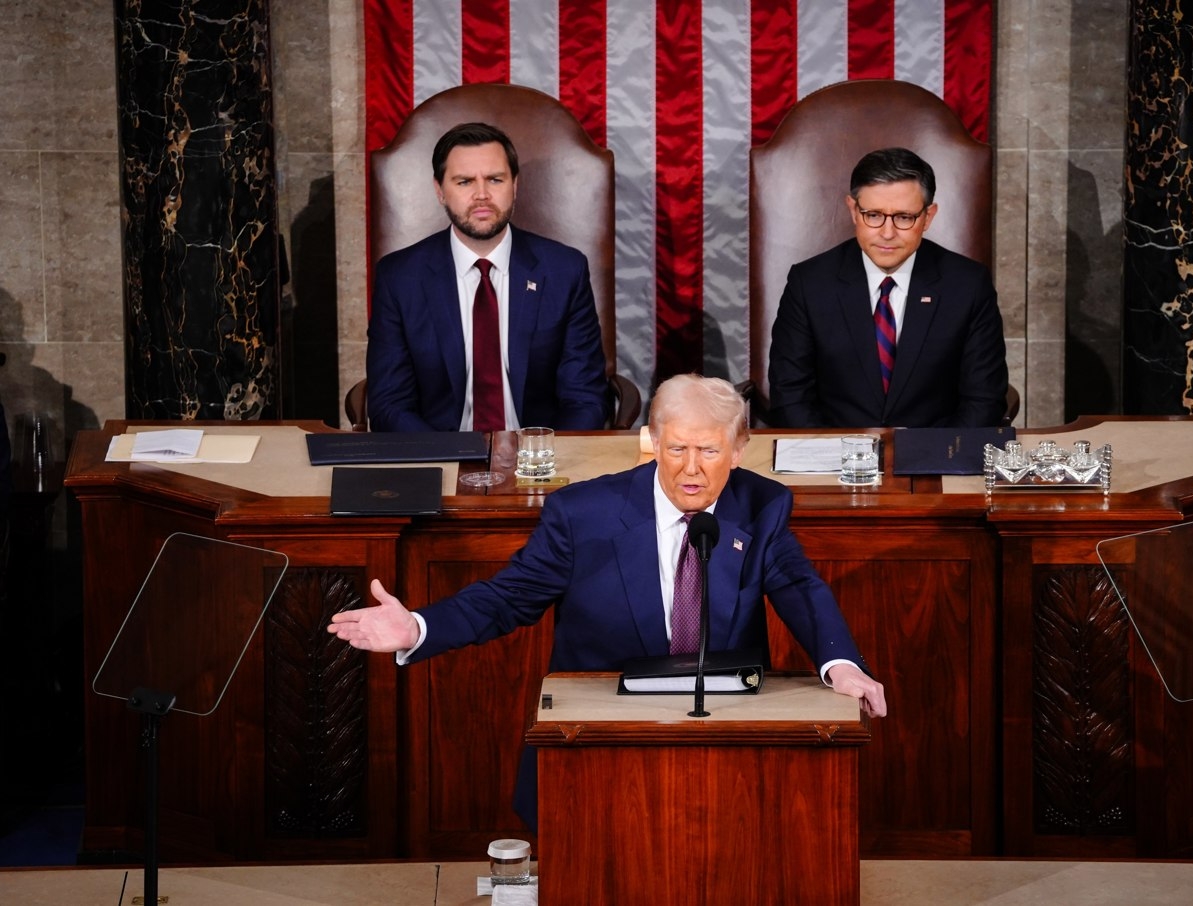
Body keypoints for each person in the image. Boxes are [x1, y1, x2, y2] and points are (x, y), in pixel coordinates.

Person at [329, 373, 887, 827]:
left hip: (727, 742)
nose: (691, 469)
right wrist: (420, 628)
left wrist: (841, 663)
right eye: (677, 449)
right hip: (600, 742)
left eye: (709, 450)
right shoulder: (582, 514)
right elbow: (508, 598)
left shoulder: (761, 507)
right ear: (652, 442)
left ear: (739, 449)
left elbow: (798, 585)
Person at [365, 122, 609, 432]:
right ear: (440, 191)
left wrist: (545, 461)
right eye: (464, 182)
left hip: (540, 463)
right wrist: (446, 459)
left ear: (515, 185)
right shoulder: (400, 277)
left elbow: (585, 398)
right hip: (440, 459)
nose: (482, 195)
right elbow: (389, 403)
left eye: (495, 179)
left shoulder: (564, 271)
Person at [767, 147, 1009, 428]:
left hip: (934, 459)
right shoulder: (809, 283)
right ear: (853, 211)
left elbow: (983, 399)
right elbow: (790, 397)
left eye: (904, 217)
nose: (887, 232)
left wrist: (938, 458)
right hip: (832, 458)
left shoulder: (968, 285)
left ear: (928, 217)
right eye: (873, 215)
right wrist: (830, 461)